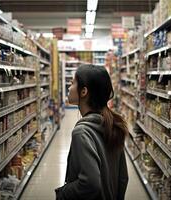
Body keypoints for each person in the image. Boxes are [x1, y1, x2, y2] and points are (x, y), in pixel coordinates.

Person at [55, 64, 129, 200]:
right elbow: (123, 178)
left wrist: (63, 193)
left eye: (72, 84)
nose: (69, 88)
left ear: (83, 92)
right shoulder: (112, 124)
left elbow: (90, 184)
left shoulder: (82, 132)